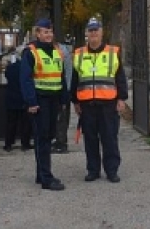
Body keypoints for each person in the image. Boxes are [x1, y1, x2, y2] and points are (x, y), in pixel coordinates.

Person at [71, 18, 129, 183]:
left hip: (108, 104)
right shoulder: (79, 54)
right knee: (90, 139)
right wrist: (75, 101)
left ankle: (112, 170)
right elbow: (75, 80)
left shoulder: (113, 52)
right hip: (87, 105)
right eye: (91, 30)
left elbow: (120, 77)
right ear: (87, 34)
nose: (94, 33)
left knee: (109, 138)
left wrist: (121, 98)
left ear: (102, 32)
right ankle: (93, 170)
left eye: (96, 30)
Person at [20, 18, 68, 191]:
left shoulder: (57, 51)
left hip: (54, 100)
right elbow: (25, 79)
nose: (48, 35)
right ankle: (47, 178)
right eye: (45, 32)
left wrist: (64, 99)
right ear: (38, 34)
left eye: (50, 32)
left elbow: (60, 76)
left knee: (48, 136)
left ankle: (41, 174)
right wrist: (31, 102)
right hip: (39, 101)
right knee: (43, 138)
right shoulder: (31, 52)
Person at [3, 49, 32, 152]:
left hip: (11, 97)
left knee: (11, 122)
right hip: (24, 98)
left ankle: (8, 143)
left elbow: (7, 76)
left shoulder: (11, 68)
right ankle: (25, 143)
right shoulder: (28, 68)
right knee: (25, 123)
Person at [52, 36, 74, 154]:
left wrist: (68, 90)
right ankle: (58, 141)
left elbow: (67, 72)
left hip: (62, 89)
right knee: (59, 117)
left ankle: (61, 143)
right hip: (57, 88)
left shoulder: (61, 51)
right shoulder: (62, 50)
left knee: (62, 117)